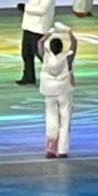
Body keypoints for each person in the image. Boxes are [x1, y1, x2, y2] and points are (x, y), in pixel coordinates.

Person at [5, 0, 57, 86]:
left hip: (39, 27)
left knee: (39, 53)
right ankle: (28, 76)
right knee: (26, 52)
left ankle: (55, 72)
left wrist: (26, 8)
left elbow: (43, 9)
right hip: (29, 25)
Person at [38, 23, 77, 159]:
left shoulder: (46, 58)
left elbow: (40, 42)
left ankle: (50, 149)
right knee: (65, 120)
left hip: (49, 93)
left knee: (51, 119)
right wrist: (69, 32)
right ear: (61, 48)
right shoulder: (67, 58)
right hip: (64, 91)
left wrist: (50, 32)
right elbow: (74, 44)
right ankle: (62, 150)